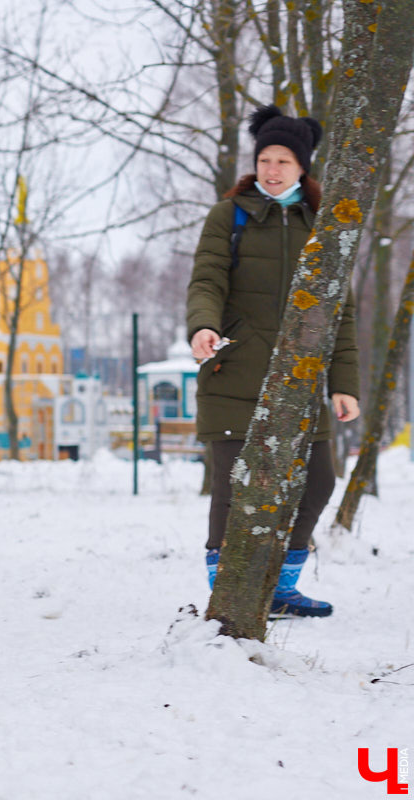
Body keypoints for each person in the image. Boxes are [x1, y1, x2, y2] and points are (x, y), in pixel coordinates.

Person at [186, 104, 360, 618]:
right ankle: (229, 592)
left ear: (302, 166)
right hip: (233, 368)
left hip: (302, 378)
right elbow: (207, 278)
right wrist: (203, 325)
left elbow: (341, 313)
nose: (273, 169)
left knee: (319, 480)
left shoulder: (324, 224)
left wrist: (343, 383)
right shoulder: (230, 215)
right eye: (265, 158)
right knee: (231, 486)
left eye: (284, 160)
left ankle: (281, 587)